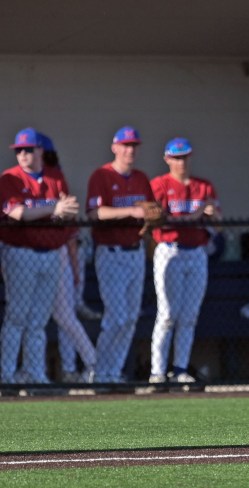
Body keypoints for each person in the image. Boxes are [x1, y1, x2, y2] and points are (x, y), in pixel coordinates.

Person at [0, 127, 79, 383]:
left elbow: (68, 211)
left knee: (39, 320)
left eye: (28, 149)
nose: (23, 154)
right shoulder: (9, 179)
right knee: (17, 317)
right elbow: (18, 213)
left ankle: (35, 375)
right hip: (20, 254)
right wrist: (53, 209)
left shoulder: (55, 178)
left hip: (51, 254)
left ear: (40, 151)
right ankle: (6, 374)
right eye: (19, 150)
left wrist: (53, 211)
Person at [148, 138, 221, 384]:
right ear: (167, 159)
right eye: (176, 158)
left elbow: (219, 225)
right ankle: (157, 373)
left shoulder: (203, 187)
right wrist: (197, 214)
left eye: (185, 157)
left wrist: (211, 215)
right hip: (169, 249)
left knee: (189, 315)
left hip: (196, 252)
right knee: (167, 314)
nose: (181, 162)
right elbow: (159, 221)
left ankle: (179, 370)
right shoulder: (158, 184)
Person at [86, 126, 155, 383]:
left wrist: (151, 217)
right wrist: (130, 213)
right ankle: (99, 372)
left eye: (134, 146)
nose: (130, 150)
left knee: (129, 319)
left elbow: (149, 211)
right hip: (111, 253)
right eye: (125, 145)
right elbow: (95, 213)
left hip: (135, 252)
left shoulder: (141, 178)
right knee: (116, 316)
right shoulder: (101, 175)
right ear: (114, 147)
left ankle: (113, 373)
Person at [39, 132, 97, 383]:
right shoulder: (24, 181)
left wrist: (74, 270)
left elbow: (71, 236)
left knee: (62, 316)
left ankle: (91, 364)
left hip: (59, 253)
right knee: (35, 319)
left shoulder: (57, 181)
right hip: (33, 256)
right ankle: (37, 372)